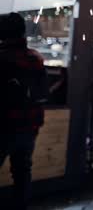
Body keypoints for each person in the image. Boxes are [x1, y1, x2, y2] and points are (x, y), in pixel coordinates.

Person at [0, 12, 48, 210]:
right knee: (22, 172)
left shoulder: (2, 58)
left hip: (3, 125)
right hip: (29, 126)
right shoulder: (35, 58)